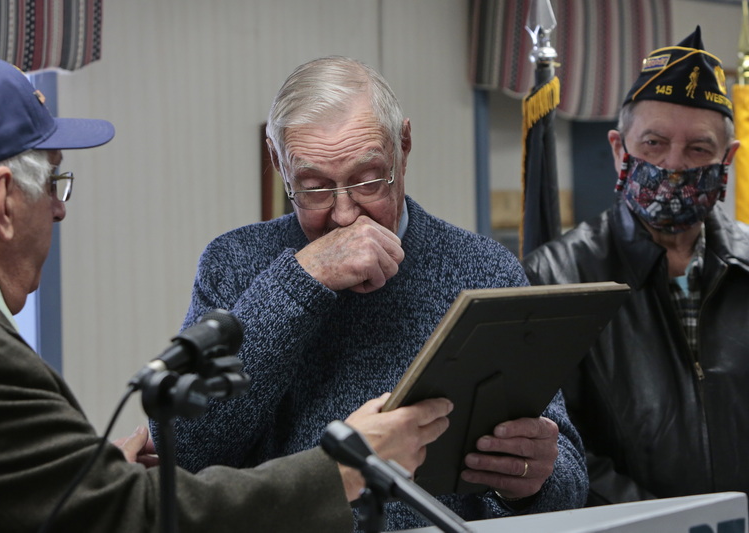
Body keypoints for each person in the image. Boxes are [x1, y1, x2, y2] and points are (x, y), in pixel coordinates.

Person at [0, 54, 455, 533]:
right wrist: (342, 470)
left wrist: (98, 482)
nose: (59, 210)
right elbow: (139, 505)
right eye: (54, 182)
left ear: (403, 149)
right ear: (2, 202)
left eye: (368, 180)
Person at [165, 55, 588, 530]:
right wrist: (300, 282)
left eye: (367, 179)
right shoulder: (234, 262)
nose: (345, 214)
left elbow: (568, 480)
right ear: (276, 160)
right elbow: (182, 457)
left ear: (403, 145)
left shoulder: (486, 268)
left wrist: (532, 482)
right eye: (314, 188)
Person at [522, 27, 749, 507]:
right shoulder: (557, 277)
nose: (673, 166)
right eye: (653, 144)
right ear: (618, 150)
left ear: (726, 160)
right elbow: (561, 446)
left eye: (698, 150)